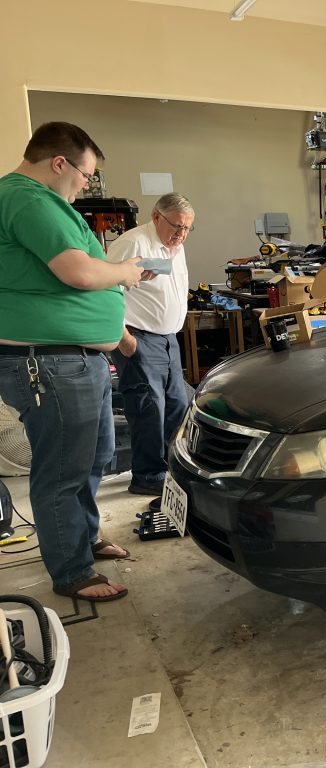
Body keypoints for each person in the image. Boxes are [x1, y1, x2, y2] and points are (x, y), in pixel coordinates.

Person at [0, 121, 145, 602]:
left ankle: (82, 537)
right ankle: (72, 571)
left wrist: (116, 334)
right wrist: (126, 271)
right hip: (50, 365)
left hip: (74, 361)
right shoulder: (28, 198)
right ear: (59, 163)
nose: (87, 185)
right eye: (86, 174)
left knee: (91, 458)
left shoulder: (41, 202)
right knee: (63, 469)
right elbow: (79, 272)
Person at [107, 194, 194, 501]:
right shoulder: (132, 244)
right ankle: (147, 475)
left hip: (168, 340)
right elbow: (104, 293)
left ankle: (172, 469)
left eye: (187, 228)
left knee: (176, 407)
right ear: (157, 217)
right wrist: (125, 340)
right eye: (176, 226)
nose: (181, 234)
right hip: (140, 339)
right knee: (148, 409)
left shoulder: (176, 246)